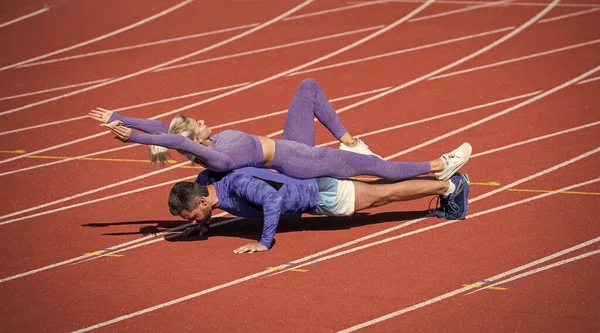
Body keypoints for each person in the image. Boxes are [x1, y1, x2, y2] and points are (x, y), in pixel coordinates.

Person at [90, 78, 471, 181]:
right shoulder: (214, 155)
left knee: (308, 87)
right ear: (196, 138)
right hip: (301, 161)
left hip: (290, 143)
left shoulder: (203, 142)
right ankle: (439, 165)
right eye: (199, 123)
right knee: (375, 168)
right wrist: (136, 138)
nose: (205, 120)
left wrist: (119, 117)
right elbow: (169, 136)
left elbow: (164, 126)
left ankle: (350, 140)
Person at [168, 167, 470, 254]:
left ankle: (449, 186)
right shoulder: (209, 185)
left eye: (192, 216)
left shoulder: (236, 185)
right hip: (316, 191)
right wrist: (204, 225)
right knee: (379, 189)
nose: (193, 222)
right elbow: (201, 178)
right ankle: (444, 186)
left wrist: (264, 242)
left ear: (202, 203)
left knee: (382, 196)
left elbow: (271, 202)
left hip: (319, 195)